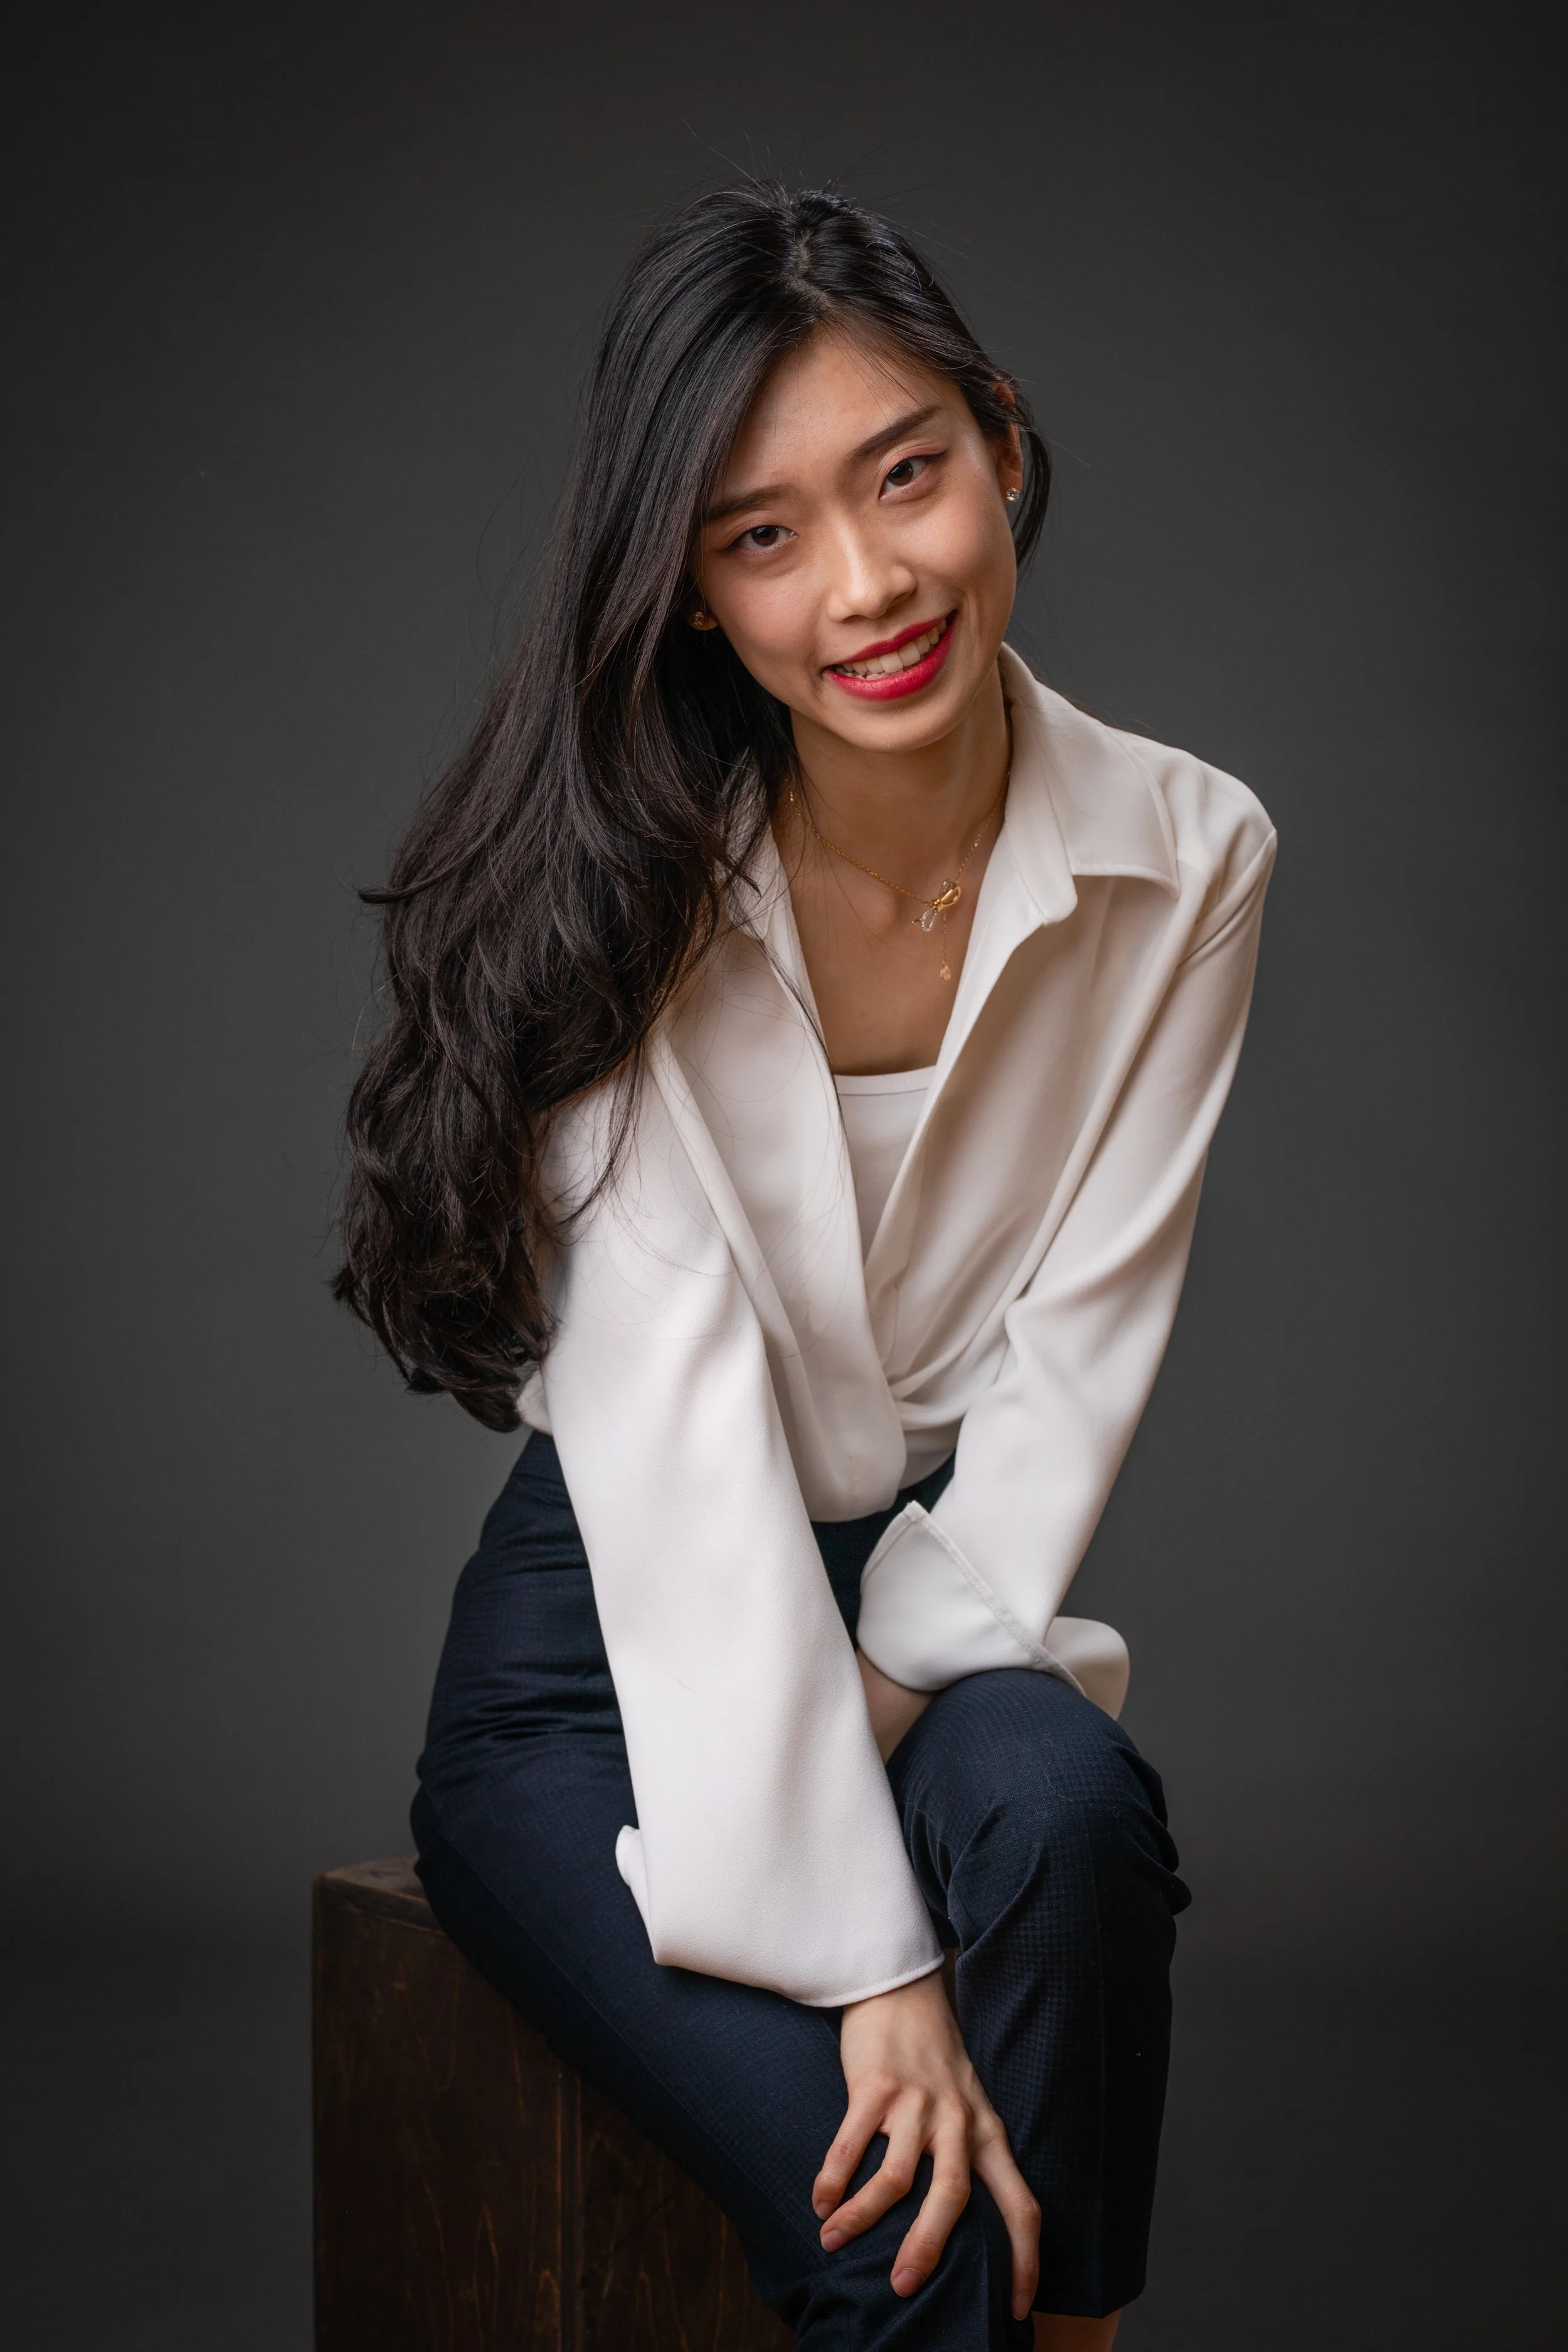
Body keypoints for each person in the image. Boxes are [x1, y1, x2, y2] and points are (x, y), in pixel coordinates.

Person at [336, 183, 1275, 2350]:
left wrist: (883, 1760)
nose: (864, 584)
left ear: (1000, 441)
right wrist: (872, 1957)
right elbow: (674, 1455)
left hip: (920, 1604)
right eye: (762, 535)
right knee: (901, 2229)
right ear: (689, 591)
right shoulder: (621, 906)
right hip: (605, 1653)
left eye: (903, 473)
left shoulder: (1190, 852)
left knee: (1069, 1827)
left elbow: (1075, 1361)